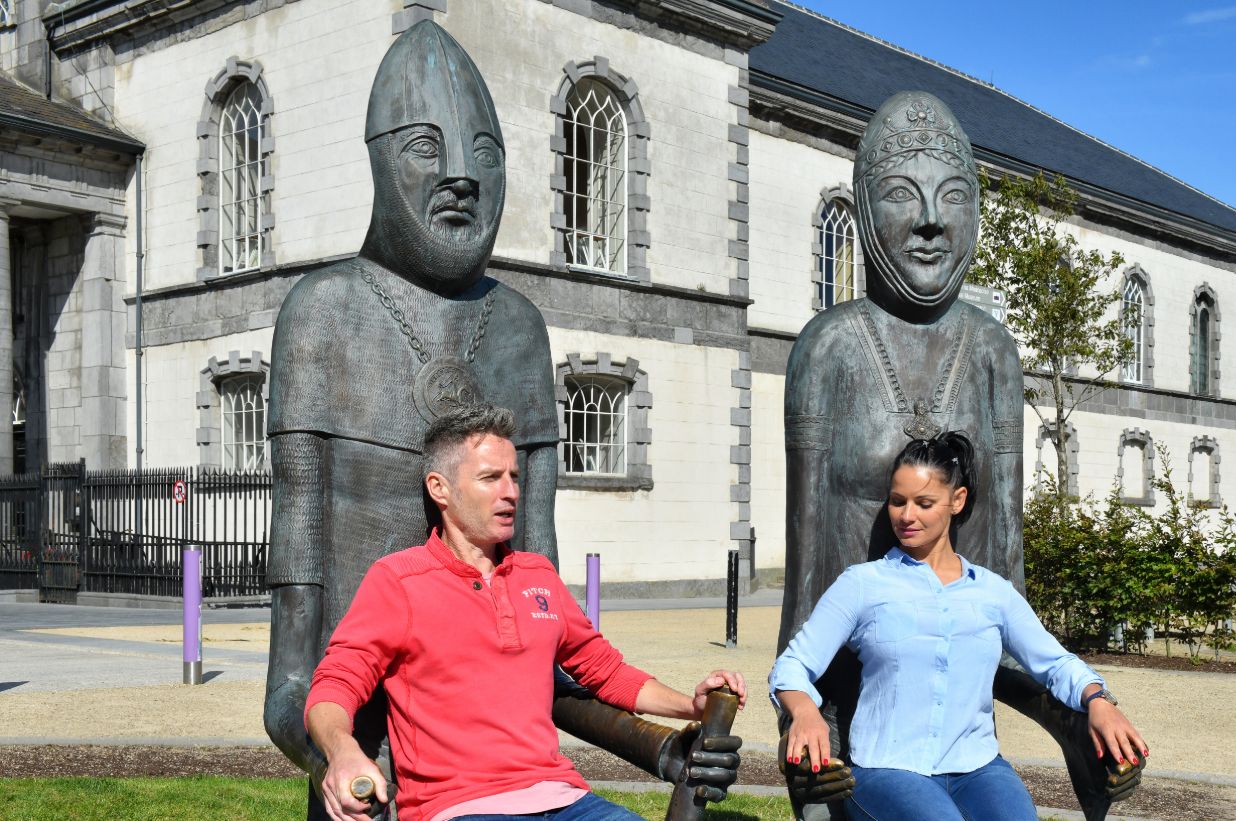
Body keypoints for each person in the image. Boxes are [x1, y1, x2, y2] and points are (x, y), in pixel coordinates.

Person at [264, 22, 729, 818]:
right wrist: (342, 756)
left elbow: (559, 671)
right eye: (424, 146)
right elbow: (297, 683)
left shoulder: (517, 329)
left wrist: (668, 735)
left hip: (537, 787)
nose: (459, 177)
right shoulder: (323, 315)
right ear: (378, 156)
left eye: (484, 153)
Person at [779, 90, 1137, 820]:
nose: (933, 222)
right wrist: (804, 724)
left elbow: (1012, 599)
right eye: (904, 197)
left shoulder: (992, 351)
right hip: (862, 724)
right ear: (864, 210)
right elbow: (804, 589)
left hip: (962, 746)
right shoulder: (830, 348)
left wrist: (1084, 707)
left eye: (953, 197)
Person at [307, 404, 748, 821]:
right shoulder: (398, 580)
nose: (510, 492)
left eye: (514, 477)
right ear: (439, 488)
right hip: (461, 806)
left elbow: (605, 671)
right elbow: (334, 685)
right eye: (490, 477)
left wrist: (690, 705)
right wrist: (343, 751)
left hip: (563, 796)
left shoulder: (537, 575)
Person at [771, 432, 1148, 821]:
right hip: (887, 768)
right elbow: (792, 665)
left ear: (957, 500)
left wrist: (1098, 700)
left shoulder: (992, 592)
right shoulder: (862, 584)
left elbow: (1054, 663)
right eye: (898, 502)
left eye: (924, 503)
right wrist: (804, 712)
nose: (906, 515)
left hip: (979, 767)